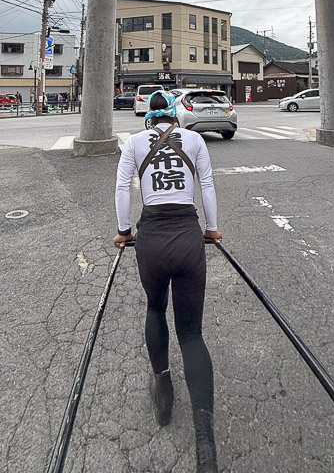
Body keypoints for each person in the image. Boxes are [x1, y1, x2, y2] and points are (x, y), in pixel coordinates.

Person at [114, 91, 222, 473]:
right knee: (191, 333)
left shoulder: (132, 143)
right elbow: (206, 187)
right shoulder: (193, 140)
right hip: (189, 237)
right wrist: (211, 229)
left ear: (147, 117)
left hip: (153, 239)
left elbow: (122, 188)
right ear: (174, 117)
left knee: (155, 307)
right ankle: (205, 439)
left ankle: (163, 387)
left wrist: (124, 231)